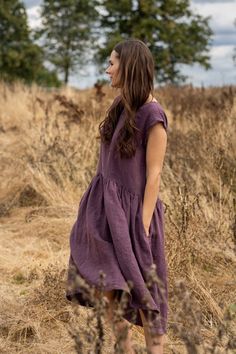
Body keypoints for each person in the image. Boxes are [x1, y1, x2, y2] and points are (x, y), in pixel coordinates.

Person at [66, 39, 168, 354]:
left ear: (129, 67)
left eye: (112, 63)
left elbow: (154, 176)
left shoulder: (154, 115)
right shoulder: (119, 106)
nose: (107, 69)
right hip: (104, 213)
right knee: (109, 288)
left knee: (146, 298)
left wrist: (144, 225)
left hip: (135, 219)